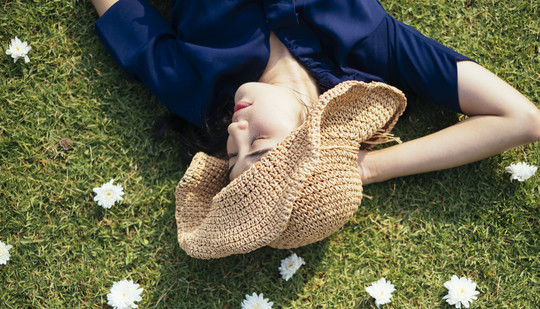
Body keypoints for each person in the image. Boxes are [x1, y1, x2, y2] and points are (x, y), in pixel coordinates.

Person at [90, 0, 539, 258]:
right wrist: (365, 168)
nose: (236, 131)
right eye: (259, 145)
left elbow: (124, 15)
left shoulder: (196, 90)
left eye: (231, 156)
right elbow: (521, 120)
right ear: (313, 136)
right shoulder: (369, 46)